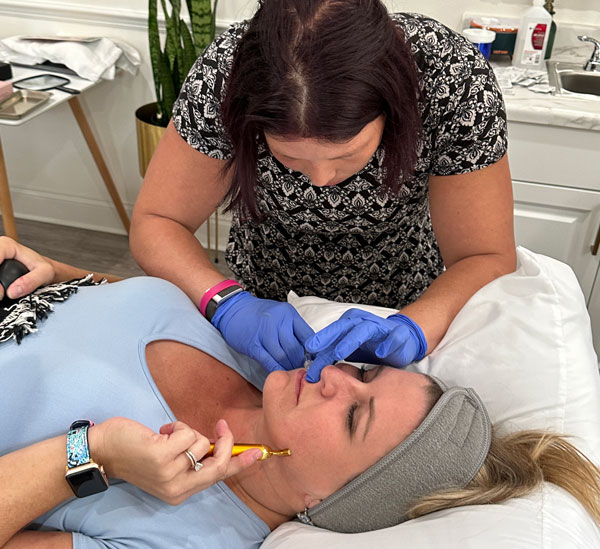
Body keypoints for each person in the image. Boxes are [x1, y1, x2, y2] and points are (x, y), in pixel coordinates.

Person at [1, 241, 599, 549]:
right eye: (365, 375)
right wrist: (53, 274)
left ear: (326, 499)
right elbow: (118, 308)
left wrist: (89, 454)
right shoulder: (262, 362)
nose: (333, 375)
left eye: (353, 418)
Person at [124, 0, 517, 382]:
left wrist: (415, 327)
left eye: (347, 156)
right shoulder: (222, 77)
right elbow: (158, 220)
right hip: (265, 301)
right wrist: (226, 304)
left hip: (407, 300)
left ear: (393, 105)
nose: (320, 179)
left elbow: (484, 254)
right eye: (289, 158)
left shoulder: (450, 79)